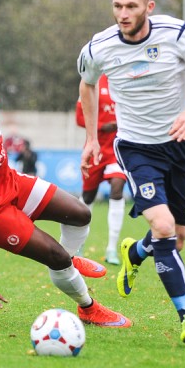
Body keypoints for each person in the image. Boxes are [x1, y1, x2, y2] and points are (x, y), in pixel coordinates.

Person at [77, 0, 185, 343]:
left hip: (180, 146)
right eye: (117, 6)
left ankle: (136, 252)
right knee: (164, 227)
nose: (122, 13)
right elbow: (87, 83)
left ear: (148, 7)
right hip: (136, 148)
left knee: (178, 236)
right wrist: (92, 138)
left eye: (131, 6)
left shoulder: (177, 35)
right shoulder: (99, 47)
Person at [0, 94, 131, 328]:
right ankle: (88, 308)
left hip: (10, 183)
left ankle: (70, 258)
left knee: (81, 214)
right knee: (56, 257)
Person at [75, 74, 127, 265]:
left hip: (118, 149)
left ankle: (112, 249)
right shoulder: (93, 81)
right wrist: (102, 126)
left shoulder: (126, 78)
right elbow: (79, 118)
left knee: (117, 188)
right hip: (95, 147)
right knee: (88, 197)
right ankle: (78, 244)